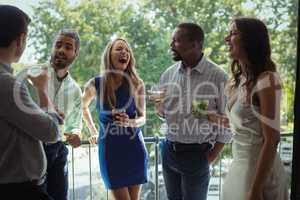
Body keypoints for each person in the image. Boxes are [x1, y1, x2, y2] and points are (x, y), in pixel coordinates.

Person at [207, 17, 288, 200]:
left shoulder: (267, 80)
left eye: (233, 33)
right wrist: (210, 116)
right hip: (238, 168)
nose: (226, 39)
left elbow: (272, 139)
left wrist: (256, 188)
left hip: (260, 174)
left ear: (251, 40)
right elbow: (245, 126)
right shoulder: (239, 81)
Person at [152, 22, 232, 200]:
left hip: (197, 154)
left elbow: (229, 125)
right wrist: (159, 106)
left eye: (176, 41)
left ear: (194, 44)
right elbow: (162, 113)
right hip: (168, 151)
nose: (171, 45)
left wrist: (210, 157)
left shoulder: (218, 77)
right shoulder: (168, 74)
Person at [0, 5, 61, 200]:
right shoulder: (8, 84)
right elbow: (52, 132)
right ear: (20, 40)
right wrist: (43, 89)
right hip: (20, 191)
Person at [17, 29, 83, 200]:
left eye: (68, 47)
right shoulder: (28, 75)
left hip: (58, 151)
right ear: (52, 48)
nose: (61, 50)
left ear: (76, 54)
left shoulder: (75, 90)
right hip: (30, 150)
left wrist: (76, 133)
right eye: (58, 45)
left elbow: (74, 124)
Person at [82, 38, 148, 200]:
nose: (124, 52)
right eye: (119, 49)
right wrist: (93, 131)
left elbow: (142, 117)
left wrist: (130, 122)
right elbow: (81, 107)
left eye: (127, 50)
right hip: (110, 152)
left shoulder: (137, 83)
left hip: (135, 149)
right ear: (109, 56)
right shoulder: (95, 84)